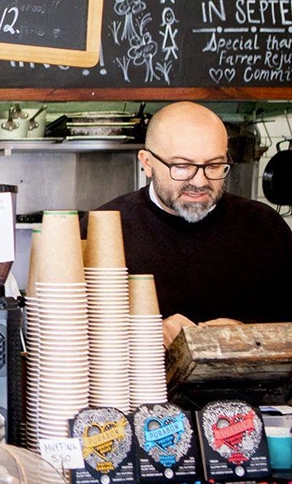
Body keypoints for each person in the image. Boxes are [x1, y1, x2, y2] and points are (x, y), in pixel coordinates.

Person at [95, 101, 292, 346]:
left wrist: (248, 335)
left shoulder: (266, 228)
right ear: (147, 162)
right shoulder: (104, 230)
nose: (199, 181)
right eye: (182, 166)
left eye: (214, 165)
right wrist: (149, 335)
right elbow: (73, 338)